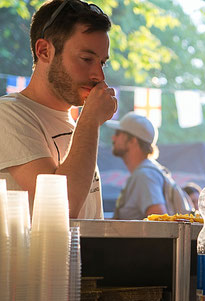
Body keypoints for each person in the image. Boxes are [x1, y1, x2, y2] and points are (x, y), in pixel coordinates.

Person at [0, 0, 117, 219]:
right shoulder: (8, 115)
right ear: (44, 51)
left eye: (102, 62)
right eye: (86, 59)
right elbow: (63, 208)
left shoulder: (75, 125)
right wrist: (90, 119)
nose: (99, 76)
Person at [107, 112, 170, 220]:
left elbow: (160, 221)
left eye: (118, 133)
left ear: (133, 140)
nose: (113, 138)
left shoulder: (145, 176)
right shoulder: (145, 173)